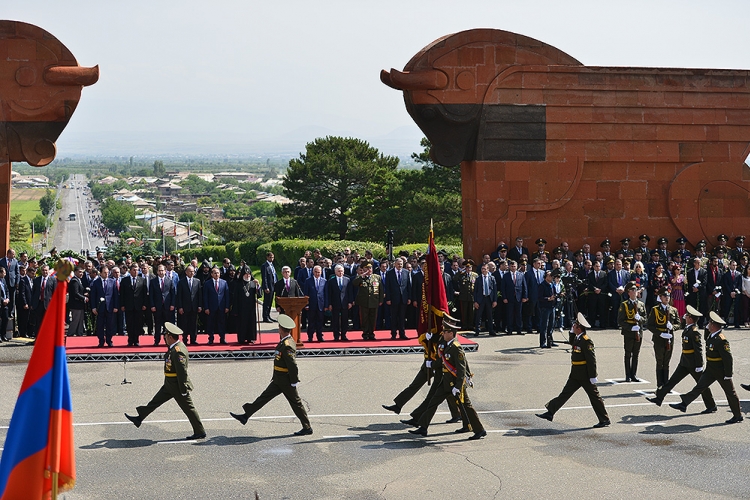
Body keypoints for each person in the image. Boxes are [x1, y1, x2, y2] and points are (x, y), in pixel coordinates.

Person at [229, 314, 313, 436]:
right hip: (278, 379)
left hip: (285, 380)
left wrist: (294, 380)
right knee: (264, 397)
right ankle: (246, 416)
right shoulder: (284, 342)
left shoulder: (287, 345)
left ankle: (307, 427)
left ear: (280, 328)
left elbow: (292, 365)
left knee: (296, 403)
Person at [125, 323, 206, 440]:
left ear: (170, 337)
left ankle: (200, 431)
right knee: (155, 401)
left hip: (177, 385)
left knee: (189, 408)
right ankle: (139, 418)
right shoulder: (173, 348)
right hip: (169, 383)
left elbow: (181, 371)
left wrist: (183, 388)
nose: (164, 338)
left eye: (165, 336)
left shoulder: (178, 350)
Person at [408, 319, 486, 440]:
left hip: (454, 384)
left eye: (445, 332)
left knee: (467, 407)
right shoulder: (447, 345)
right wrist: (431, 364)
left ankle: (480, 430)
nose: (443, 333)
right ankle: (423, 427)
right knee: (433, 402)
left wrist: (458, 386)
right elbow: (443, 360)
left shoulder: (456, 348)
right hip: (446, 382)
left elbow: (461, 369)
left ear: (451, 333)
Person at [536, 312, 610, 428]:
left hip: (585, 375)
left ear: (579, 328)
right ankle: (550, 412)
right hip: (575, 374)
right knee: (565, 394)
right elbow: (572, 343)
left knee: (594, 397)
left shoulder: (586, 341)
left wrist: (593, 376)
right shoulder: (578, 338)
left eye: (575, 326)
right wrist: (571, 333)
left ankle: (604, 419)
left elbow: (591, 360)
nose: (573, 327)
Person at [669, 312, 743, 424]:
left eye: (709, 323)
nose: (707, 324)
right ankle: (684, 404)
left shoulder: (721, 340)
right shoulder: (711, 336)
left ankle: (737, 415)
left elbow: (728, 358)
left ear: (713, 325)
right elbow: (705, 337)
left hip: (721, 371)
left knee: (730, 392)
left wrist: (728, 374)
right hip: (710, 369)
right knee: (699, 386)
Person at [646, 305, 716, 412]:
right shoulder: (688, 329)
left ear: (691, 318)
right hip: (684, 362)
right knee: (672, 381)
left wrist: (699, 365)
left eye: (687, 315)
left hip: (693, 364)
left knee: (702, 385)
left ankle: (711, 405)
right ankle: (659, 397)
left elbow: (698, 350)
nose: (685, 316)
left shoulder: (694, 331)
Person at [646, 287, 681, 389]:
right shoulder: (655, 310)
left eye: (668, 296)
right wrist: (660, 333)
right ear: (660, 297)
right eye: (665, 296)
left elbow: (678, 324)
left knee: (667, 362)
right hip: (659, 338)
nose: (667, 298)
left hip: (670, 338)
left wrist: (673, 327)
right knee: (660, 361)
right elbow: (650, 325)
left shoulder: (673, 310)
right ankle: (660, 384)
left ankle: (666, 384)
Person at [617, 282, 647, 382]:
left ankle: (634, 374)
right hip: (629, 332)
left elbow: (645, 319)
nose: (635, 292)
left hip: (639, 331)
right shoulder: (624, 304)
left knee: (636, 354)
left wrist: (640, 319)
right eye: (632, 290)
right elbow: (620, 321)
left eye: (635, 290)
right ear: (628, 292)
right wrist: (630, 328)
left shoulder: (641, 304)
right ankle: (627, 375)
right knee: (628, 354)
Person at [352, 263, 383, 341]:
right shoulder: (361, 278)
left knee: (373, 319)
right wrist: (362, 276)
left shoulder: (377, 277)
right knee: (364, 318)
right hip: (364, 302)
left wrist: (381, 300)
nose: (369, 270)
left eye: (370, 268)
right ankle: (365, 333)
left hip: (374, 301)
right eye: (367, 268)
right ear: (364, 269)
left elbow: (381, 290)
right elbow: (354, 283)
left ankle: (371, 333)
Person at [89, 265, 117, 347]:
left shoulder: (112, 281)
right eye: (104, 273)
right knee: (100, 325)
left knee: (110, 324)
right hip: (100, 307)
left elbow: (115, 295)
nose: (106, 274)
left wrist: (115, 306)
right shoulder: (95, 282)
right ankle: (101, 340)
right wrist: (93, 307)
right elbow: (93, 296)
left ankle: (109, 340)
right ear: (100, 273)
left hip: (110, 307)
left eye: (108, 273)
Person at [120, 263, 147, 346]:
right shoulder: (125, 280)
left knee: (138, 323)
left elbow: (144, 294)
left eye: (137, 270)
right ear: (130, 271)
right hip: (129, 306)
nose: (135, 271)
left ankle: (136, 340)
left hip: (138, 306)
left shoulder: (142, 280)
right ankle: (130, 340)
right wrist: (122, 305)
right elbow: (122, 294)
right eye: (134, 270)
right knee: (129, 323)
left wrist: (144, 304)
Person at [385, 257, 412, 340]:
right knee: (393, 317)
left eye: (401, 264)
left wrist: (409, 298)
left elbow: (409, 286)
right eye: (398, 264)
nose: (400, 265)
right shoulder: (389, 273)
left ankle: (402, 334)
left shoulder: (406, 272)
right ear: (395, 264)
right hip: (393, 299)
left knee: (402, 317)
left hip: (403, 298)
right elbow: (387, 287)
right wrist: (388, 299)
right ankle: (393, 334)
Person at [150, 264, 176, 346]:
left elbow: (173, 294)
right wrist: (152, 305)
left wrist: (172, 304)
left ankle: (167, 341)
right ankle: (156, 340)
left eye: (162, 270)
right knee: (157, 324)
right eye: (159, 270)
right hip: (157, 307)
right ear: (157, 272)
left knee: (167, 325)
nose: (161, 272)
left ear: (165, 271)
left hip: (167, 306)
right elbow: (151, 295)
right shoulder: (153, 281)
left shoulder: (170, 280)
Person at [233, 267, 261, 344]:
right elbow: (235, 298)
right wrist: (235, 309)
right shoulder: (238, 284)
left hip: (251, 307)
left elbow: (259, 295)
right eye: (246, 274)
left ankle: (251, 338)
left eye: (249, 274)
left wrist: (258, 286)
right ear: (243, 274)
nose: (248, 275)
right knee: (242, 323)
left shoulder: (253, 283)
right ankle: (241, 339)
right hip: (241, 307)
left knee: (251, 323)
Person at [203, 266, 230, 345]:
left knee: (222, 323)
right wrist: (206, 307)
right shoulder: (207, 283)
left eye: (218, 273)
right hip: (211, 307)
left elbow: (227, 295)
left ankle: (222, 338)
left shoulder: (224, 282)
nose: (216, 274)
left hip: (221, 307)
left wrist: (227, 306)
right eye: (215, 273)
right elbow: (205, 296)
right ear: (211, 274)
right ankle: (211, 338)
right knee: (211, 323)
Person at [501, 260, 528, 335]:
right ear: (509, 267)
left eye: (514, 266)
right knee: (510, 314)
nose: (513, 268)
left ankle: (519, 329)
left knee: (518, 314)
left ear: (517, 267)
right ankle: (510, 330)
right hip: (509, 298)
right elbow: (503, 288)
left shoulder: (521, 275)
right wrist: (504, 298)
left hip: (518, 298)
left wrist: (525, 296)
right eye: (512, 266)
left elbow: (524, 286)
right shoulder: (506, 275)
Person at [327, 264, 352, 341]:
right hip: (335, 303)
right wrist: (329, 304)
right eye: (339, 271)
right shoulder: (331, 281)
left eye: (341, 271)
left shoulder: (347, 279)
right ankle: (336, 336)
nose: (340, 272)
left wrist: (350, 302)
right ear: (335, 272)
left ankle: (344, 335)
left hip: (344, 303)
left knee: (345, 320)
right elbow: (329, 293)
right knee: (335, 320)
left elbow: (349, 292)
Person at [303, 265, 327, 342]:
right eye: (316, 272)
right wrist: (306, 304)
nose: (317, 274)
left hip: (320, 304)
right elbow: (306, 293)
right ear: (313, 272)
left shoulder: (324, 281)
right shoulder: (308, 280)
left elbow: (326, 294)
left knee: (320, 321)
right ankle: (310, 336)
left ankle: (320, 336)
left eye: (319, 272)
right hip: (311, 304)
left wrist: (326, 305)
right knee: (311, 321)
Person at [473, 263, 497, 337]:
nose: (483, 270)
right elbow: (475, 291)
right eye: (482, 269)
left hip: (489, 298)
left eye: (485, 269)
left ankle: (491, 330)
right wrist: (475, 301)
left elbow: (495, 290)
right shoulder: (478, 278)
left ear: (488, 269)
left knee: (490, 315)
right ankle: (477, 330)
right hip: (481, 299)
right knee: (478, 315)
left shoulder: (492, 278)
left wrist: (495, 300)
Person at [67, 266, 87, 337]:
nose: (81, 274)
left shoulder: (79, 280)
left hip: (80, 304)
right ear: (75, 272)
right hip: (76, 305)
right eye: (80, 272)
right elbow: (75, 293)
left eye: (82, 272)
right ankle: (70, 333)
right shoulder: (74, 281)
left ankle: (79, 333)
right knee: (75, 320)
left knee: (80, 320)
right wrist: (84, 298)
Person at [15, 265, 32, 338]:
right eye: (32, 273)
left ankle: (29, 332)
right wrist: (25, 303)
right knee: (24, 319)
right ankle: (23, 332)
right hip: (25, 303)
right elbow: (22, 293)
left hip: (30, 302)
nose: (33, 275)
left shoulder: (31, 280)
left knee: (28, 318)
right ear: (28, 272)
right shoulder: (23, 280)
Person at [260, 252, 277, 323]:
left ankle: (268, 315)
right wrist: (266, 287)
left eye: (273, 257)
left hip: (273, 285)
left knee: (270, 302)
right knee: (267, 302)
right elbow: (264, 278)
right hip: (268, 287)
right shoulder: (265, 266)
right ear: (267, 257)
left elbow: (274, 275)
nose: (272, 259)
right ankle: (265, 317)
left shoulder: (272, 265)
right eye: (270, 257)